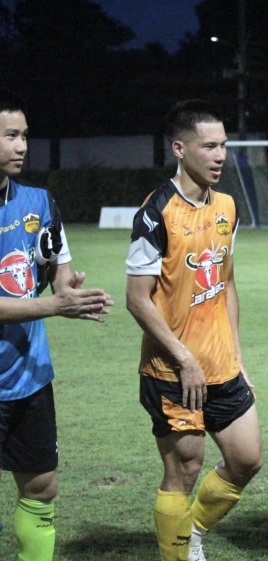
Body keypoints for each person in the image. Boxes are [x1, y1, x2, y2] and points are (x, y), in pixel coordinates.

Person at [126, 99, 263, 561]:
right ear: (180, 149)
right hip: (172, 371)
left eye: (223, 145)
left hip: (222, 365)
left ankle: (193, 531)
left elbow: (226, 284)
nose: (220, 155)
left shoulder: (227, 205)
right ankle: (178, 554)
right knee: (184, 470)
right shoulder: (156, 212)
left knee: (247, 460)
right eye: (209, 146)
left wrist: (237, 356)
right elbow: (137, 298)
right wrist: (183, 358)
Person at [0, 89, 113, 561]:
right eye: (10, 136)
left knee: (41, 487)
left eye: (25, 136)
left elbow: (56, 267)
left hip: (28, 376)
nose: (22, 146)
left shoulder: (40, 202)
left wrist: (69, 290)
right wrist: (53, 306)